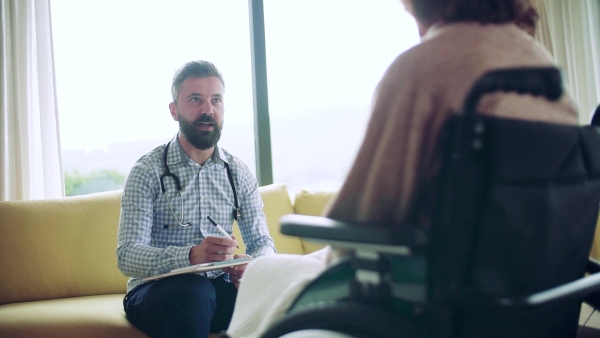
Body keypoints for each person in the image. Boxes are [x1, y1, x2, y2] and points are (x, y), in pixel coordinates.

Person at [224, 0, 578, 337]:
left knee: (267, 271)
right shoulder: (547, 75)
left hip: (436, 293)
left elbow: (363, 213)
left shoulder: (424, 67)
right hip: (526, 290)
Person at [117, 60, 276, 338]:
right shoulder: (148, 171)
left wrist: (253, 267)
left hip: (215, 291)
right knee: (194, 291)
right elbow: (127, 255)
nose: (208, 110)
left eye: (216, 100)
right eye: (195, 100)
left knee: (281, 294)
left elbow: (263, 243)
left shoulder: (237, 172)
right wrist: (191, 257)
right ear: (174, 110)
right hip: (155, 294)